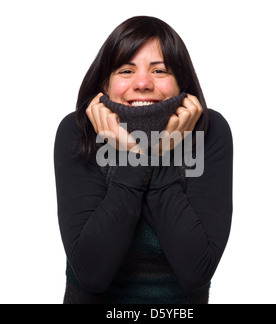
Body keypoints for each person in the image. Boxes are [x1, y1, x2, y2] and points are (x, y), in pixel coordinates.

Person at [54, 16, 233, 304]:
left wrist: (158, 155)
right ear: (105, 83)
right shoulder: (78, 133)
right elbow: (92, 273)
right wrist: (134, 157)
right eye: (126, 70)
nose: (142, 83)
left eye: (160, 70)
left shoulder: (209, 132)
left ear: (182, 84)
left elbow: (195, 270)